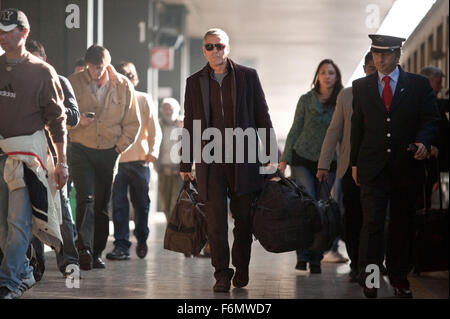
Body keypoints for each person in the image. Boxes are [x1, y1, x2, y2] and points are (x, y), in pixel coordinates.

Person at [180, 28, 277, 292]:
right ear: (204, 50)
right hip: (209, 162)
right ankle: (222, 272)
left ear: (228, 47)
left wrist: (271, 157)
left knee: (244, 220)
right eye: (210, 47)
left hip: (243, 160)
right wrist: (184, 163)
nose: (215, 51)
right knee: (215, 221)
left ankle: (242, 266)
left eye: (219, 46)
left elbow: (262, 117)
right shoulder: (194, 81)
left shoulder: (247, 77)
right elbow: (189, 123)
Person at [350, 34, 440, 299]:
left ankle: (400, 279)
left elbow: (431, 119)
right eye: (376, 54)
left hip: (406, 168)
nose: (380, 59)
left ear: (398, 55)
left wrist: (423, 142)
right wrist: (354, 163)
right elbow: (358, 128)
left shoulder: (419, 85)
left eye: (386, 54)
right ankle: (372, 279)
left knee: (402, 225)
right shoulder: (362, 86)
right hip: (372, 168)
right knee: (373, 225)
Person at [0, 8, 68, 299]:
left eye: (9, 30)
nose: (3, 36)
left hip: (27, 158)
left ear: (24, 33)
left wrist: (62, 163)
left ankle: (9, 281)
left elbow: (58, 121)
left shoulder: (42, 72)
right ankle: (24, 271)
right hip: (1, 154)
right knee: (4, 228)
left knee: (18, 222)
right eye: (0, 31)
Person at [68, 45, 140, 270]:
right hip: (80, 148)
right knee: (85, 198)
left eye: (98, 68)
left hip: (109, 151)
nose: (95, 72)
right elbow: (61, 114)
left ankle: (97, 251)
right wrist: (78, 120)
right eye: (90, 67)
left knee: (101, 204)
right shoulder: (73, 82)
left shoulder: (123, 85)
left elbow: (132, 123)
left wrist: (118, 149)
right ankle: (84, 250)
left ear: (107, 65)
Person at [317, 52, 379, 282]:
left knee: (375, 218)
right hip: (350, 169)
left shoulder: (390, 94)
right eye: (371, 68)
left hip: (380, 169)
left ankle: (372, 266)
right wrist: (324, 164)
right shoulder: (347, 95)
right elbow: (334, 130)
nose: (375, 72)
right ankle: (356, 263)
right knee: (353, 218)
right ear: (365, 69)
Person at [279, 59, 343, 274]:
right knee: (307, 204)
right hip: (303, 158)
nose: (327, 76)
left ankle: (316, 257)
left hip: (330, 161)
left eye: (331, 73)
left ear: (337, 76)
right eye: (323, 72)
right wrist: (284, 159)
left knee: (323, 207)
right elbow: (295, 129)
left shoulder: (343, 100)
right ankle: (302, 254)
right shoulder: (306, 100)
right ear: (317, 76)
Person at [25, 39, 81, 281]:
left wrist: (52, 109)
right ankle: (35, 264)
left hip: (55, 158)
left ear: (45, 60)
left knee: (62, 210)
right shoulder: (19, 83)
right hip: (27, 156)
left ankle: (69, 262)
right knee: (29, 212)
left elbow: (74, 116)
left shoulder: (60, 81)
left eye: (37, 59)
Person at [106, 61, 161, 261]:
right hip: (117, 162)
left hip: (140, 161)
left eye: (129, 75)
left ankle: (142, 237)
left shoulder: (144, 99)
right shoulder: (110, 101)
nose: (126, 79)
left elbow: (155, 129)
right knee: (119, 205)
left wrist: (153, 152)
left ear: (134, 78)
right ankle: (121, 245)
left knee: (141, 204)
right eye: (121, 76)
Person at [156, 97, 183, 223]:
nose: (168, 111)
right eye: (165, 109)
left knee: (176, 203)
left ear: (177, 109)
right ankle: (171, 228)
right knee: (165, 205)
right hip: (163, 170)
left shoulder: (184, 124)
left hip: (180, 172)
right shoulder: (157, 125)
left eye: (170, 108)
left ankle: (177, 230)